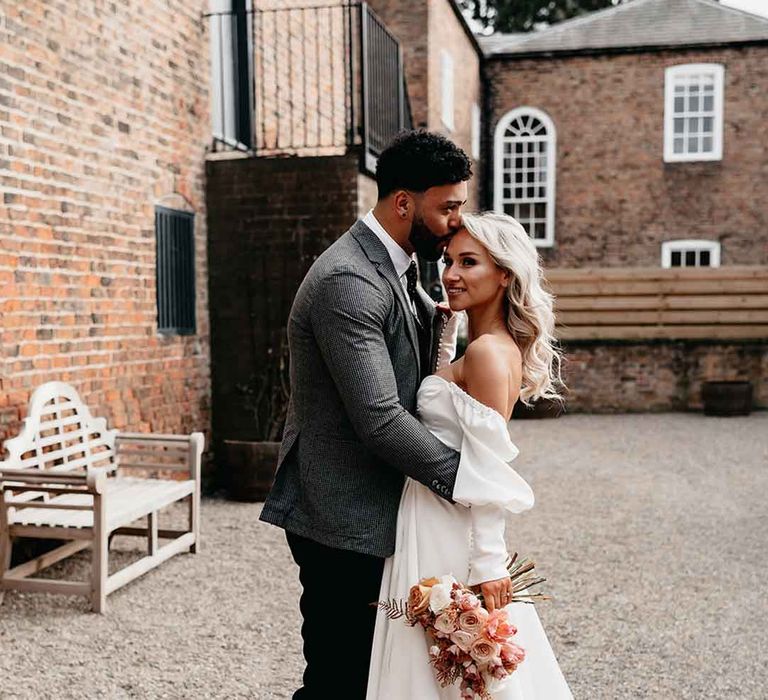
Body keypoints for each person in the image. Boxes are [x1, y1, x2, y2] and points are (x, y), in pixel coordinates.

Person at [259, 130, 474, 698]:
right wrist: (468, 479)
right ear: (404, 202)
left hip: (373, 505)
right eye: (447, 206)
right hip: (338, 515)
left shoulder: (405, 264)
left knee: (370, 674)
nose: (456, 221)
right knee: (339, 679)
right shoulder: (349, 281)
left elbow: (413, 367)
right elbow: (379, 416)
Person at [366, 212, 573, 699]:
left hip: (448, 527)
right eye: (449, 260)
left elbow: (487, 467)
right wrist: (448, 328)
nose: (451, 274)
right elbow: (449, 411)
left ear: (505, 274)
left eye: (469, 263)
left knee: (450, 668)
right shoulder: (482, 346)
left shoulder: (488, 355)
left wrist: (487, 563)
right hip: (428, 514)